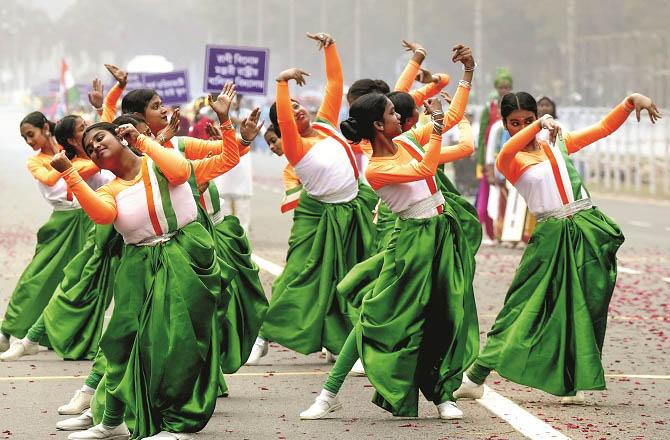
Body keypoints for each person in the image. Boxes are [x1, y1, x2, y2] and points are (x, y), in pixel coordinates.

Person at [300, 45, 479, 421]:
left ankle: (443, 395)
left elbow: (456, 114)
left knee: (445, 315)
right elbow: (425, 171)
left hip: (441, 235)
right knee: (376, 317)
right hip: (410, 241)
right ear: (379, 125)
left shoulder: (407, 141)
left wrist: (467, 74)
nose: (401, 114)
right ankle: (329, 392)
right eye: (393, 112)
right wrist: (438, 130)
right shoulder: (377, 169)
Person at [454, 91, 661, 405]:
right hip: (550, 235)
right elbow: (512, 145)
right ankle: (476, 376)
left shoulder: (557, 143)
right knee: (520, 307)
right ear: (506, 125)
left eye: (527, 119)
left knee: (586, 304)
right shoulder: (508, 158)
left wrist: (630, 102)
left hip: (584, 228)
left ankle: (572, 380)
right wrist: (538, 123)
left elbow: (603, 128)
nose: (521, 126)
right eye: (514, 122)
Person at [59, 84, 242, 439]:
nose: (95, 145)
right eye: (90, 146)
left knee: (178, 346)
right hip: (137, 268)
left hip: (182, 259)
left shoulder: (159, 163)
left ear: (123, 139)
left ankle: (179, 425)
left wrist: (223, 123)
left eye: (101, 137)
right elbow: (101, 215)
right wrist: (69, 172)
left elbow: (208, 164)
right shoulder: (108, 189)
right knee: (121, 344)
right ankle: (111, 421)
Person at [247, 32, 377, 365]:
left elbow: (335, 83)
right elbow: (286, 121)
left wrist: (330, 47)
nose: (296, 110)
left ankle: (350, 344)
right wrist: (281, 83)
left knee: (355, 275)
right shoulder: (294, 145)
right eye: (288, 111)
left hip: (353, 207)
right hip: (316, 214)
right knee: (298, 275)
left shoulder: (327, 125)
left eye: (297, 104)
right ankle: (263, 336)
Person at [1, 114, 120, 363]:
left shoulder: (83, 157)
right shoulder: (37, 162)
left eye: (30, 134)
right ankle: (8, 329)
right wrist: (69, 165)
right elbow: (49, 178)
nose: (28, 141)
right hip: (62, 223)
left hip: (89, 219)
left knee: (82, 281)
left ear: (46, 128)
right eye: (24, 138)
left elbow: (107, 131)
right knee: (37, 277)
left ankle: (62, 336)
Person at [475, 67, 512, 244]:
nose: (504, 90)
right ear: (497, 88)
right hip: (489, 160)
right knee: (486, 197)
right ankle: (486, 232)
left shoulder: (514, 107)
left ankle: (504, 233)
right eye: (501, 87)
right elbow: (482, 135)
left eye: (507, 87)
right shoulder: (488, 109)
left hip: (509, 160)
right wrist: (482, 162)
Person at [264, 124, 303, 213]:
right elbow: (297, 201)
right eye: (268, 144)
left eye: (273, 140)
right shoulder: (289, 172)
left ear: (286, 135)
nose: (271, 147)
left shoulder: (311, 150)